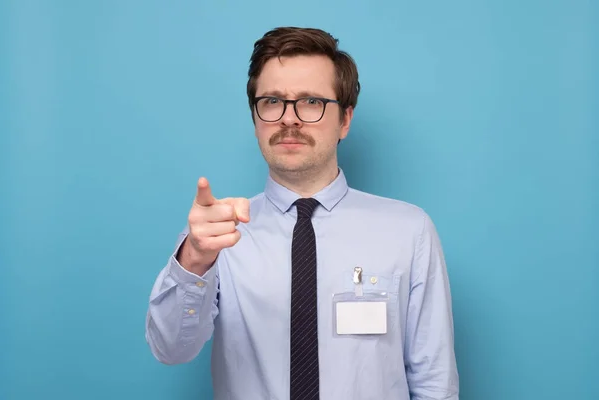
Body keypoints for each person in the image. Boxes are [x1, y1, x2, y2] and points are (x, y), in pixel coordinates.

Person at [145, 26, 459, 400]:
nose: (289, 118)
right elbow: (170, 348)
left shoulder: (410, 232)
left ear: (345, 119)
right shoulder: (215, 236)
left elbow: (433, 383)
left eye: (311, 101)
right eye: (272, 101)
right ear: (256, 119)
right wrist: (194, 260)